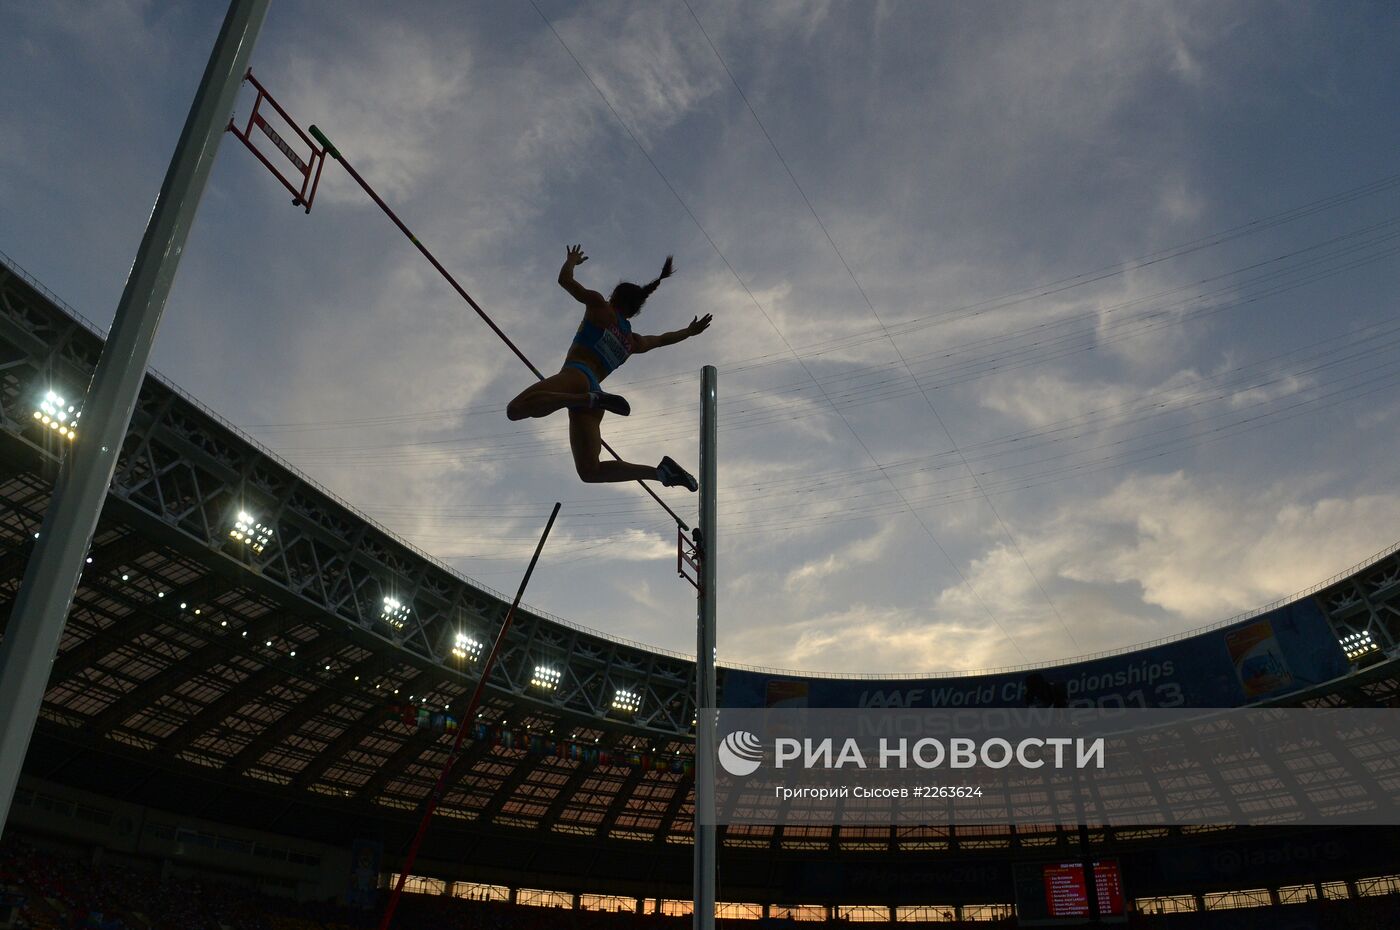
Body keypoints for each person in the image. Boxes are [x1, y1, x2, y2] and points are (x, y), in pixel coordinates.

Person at [506, 244, 712, 491]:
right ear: (635, 312)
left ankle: (585, 398)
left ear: (614, 294)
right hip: (596, 393)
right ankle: (659, 473)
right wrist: (689, 332)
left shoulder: (599, 305)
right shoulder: (632, 341)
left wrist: (571, 260)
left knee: (516, 409)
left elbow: (565, 280)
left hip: (576, 376)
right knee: (590, 471)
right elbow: (662, 340)